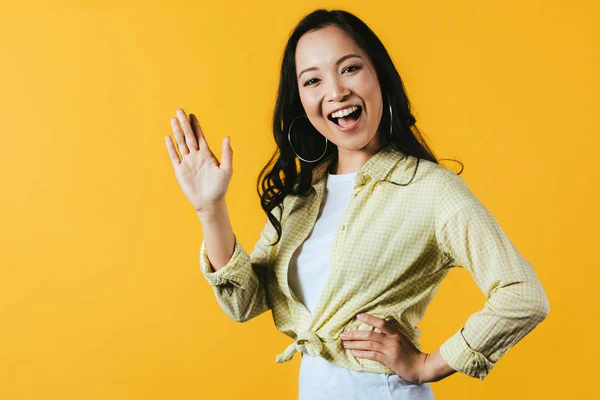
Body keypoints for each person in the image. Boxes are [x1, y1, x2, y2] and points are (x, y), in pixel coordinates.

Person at [165, 9, 550, 400]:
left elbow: (523, 295)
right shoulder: (302, 197)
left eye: (349, 69)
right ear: (301, 100)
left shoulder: (430, 189)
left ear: (379, 75)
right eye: (313, 80)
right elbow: (245, 304)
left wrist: (428, 365)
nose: (335, 92)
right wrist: (210, 209)